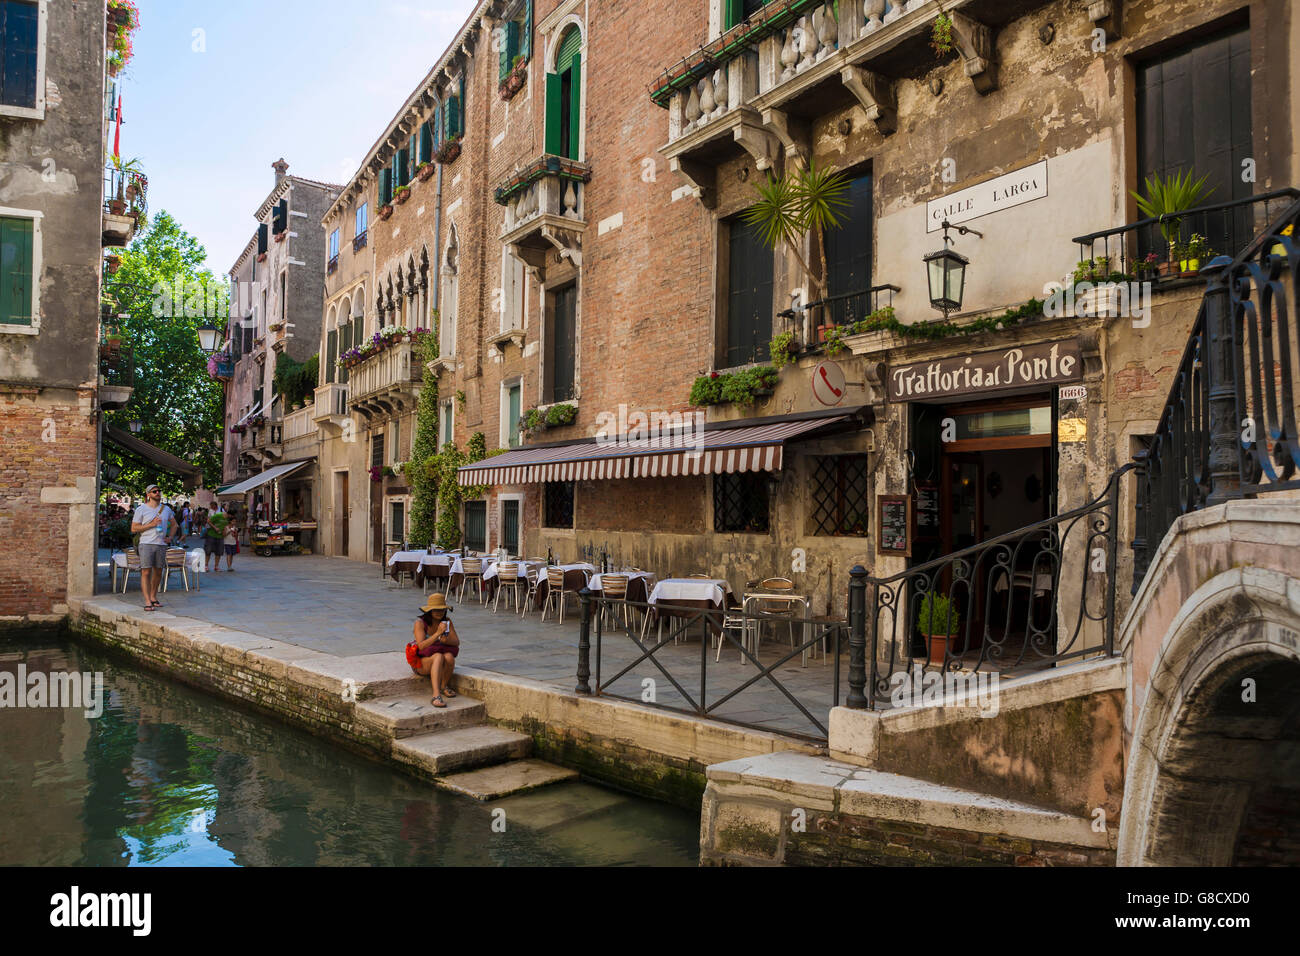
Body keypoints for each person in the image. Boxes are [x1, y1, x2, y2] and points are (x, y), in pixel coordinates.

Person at [130, 484, 178, 611]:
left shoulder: (166, 509)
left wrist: (170, 537)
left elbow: (174, 525)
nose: (157, 493)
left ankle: (153, 597)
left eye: (158, 491)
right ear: (148, 495)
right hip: (146, 543)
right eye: (154, 491)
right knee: (146, 571)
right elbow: (134, 528)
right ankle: (147, 601)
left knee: (158, 572)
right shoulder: (141, 509)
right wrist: (151, 525)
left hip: (161, 544)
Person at [406, 594, 460, 708]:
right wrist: (437, 634)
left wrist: (445, 640)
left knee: (449, 656)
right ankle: (436, 695)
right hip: (421, 663)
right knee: (438, 656)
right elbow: (421, 646)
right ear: (429, 610)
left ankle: (444, 686)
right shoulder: (420, 623)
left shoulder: (446, 621)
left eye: (441, 609)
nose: (439, 612)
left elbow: (456, 642)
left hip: (437, 657)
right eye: (435, 610)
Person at [204, 507, 228, 572]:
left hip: (220, 537)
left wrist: (224, 532)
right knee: (208, 551)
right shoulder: (218, 515)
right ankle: (206, 566)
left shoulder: (228, 519)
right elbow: (208, 521)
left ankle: (216, 566)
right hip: (211, 535)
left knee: (219, 552)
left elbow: (225, 527)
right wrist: (215, 528)